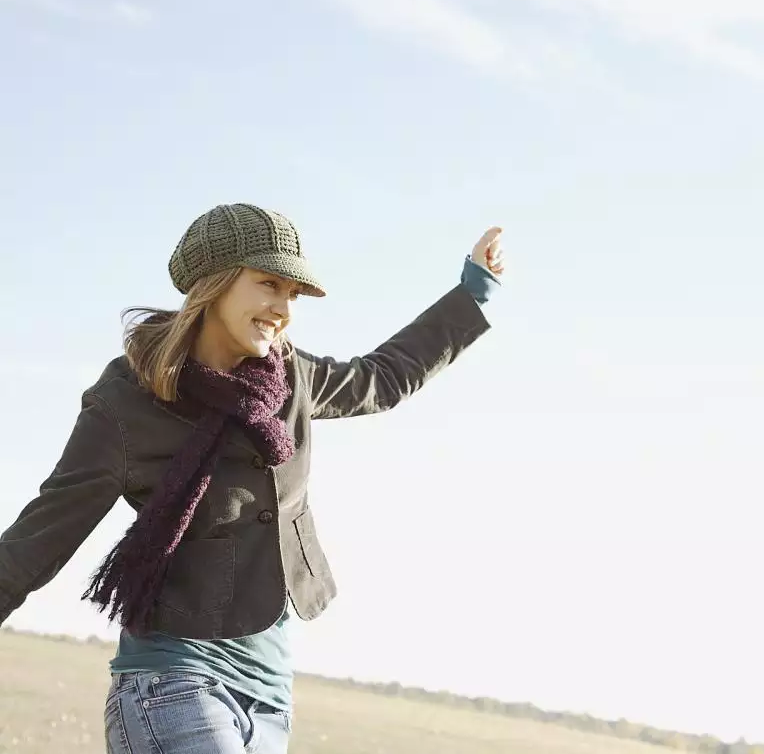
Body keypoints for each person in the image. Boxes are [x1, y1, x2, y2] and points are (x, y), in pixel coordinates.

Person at [0, 203, 506, 754]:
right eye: (269, 284)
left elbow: (381, 378)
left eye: (293, 294)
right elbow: (42, 535)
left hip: (268, 697)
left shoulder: (290, 379)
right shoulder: (126, 401)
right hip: (172, 681)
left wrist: (473, 292)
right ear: (213, 285)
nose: (282, 308)